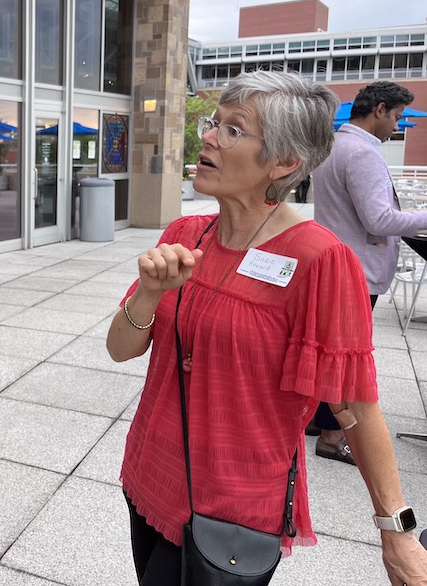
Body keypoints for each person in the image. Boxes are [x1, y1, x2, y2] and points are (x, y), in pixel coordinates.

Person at [107, 71, 427, 586]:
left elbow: (354, 403)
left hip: (232, 507)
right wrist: (149, 292)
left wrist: (397, 530)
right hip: (150, 472)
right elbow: (120, 350)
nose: (207, 136)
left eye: (233, 130)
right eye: (215, 123)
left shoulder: (320, 260)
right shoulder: (186, 234)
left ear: (283, 163)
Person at [312, 81, 426, 466]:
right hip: (357, 268)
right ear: (379, 109)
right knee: (343, 355)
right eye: (395, 117)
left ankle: (318, 418)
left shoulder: (333, 145)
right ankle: (331, 435)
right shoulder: (363, 153)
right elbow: (379, 218)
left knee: (326, 347)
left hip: (335, 261)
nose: (396, 126)